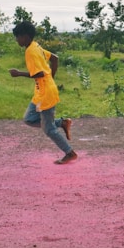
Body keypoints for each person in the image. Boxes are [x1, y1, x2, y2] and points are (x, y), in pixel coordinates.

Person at [9, 21, 76, 165]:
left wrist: (18, 73)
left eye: (18, 37)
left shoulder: (31, 51)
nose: (16, 40)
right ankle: (62, 122)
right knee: (29, 119)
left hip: (45, 94)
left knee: (49, 130)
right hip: (42, 91)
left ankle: (70, 153)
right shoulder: (35, 46)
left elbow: (38, 73)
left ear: (25, 37)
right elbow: (55, 58)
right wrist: (51, 78)